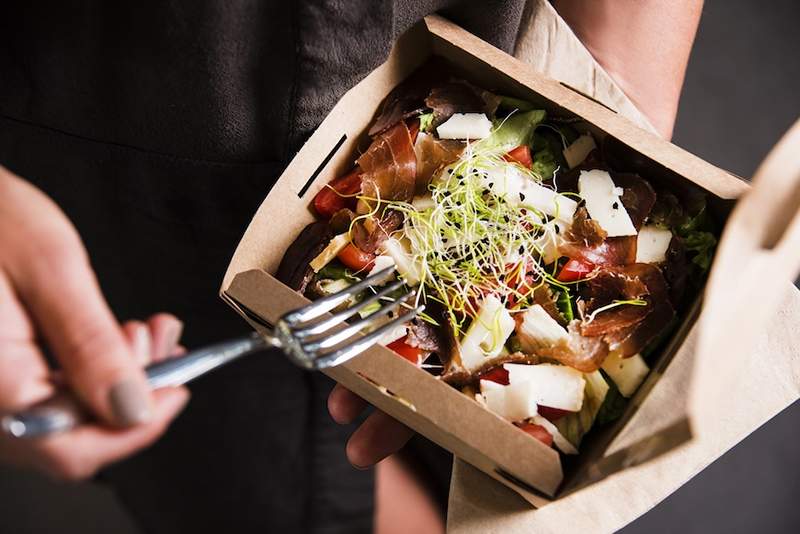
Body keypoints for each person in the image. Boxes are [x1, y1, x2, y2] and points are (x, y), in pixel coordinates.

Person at [0, 1, 702, 532]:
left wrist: (613, 81)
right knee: (248, 488)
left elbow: (617, 61)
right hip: (121, 147)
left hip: (467, 40)